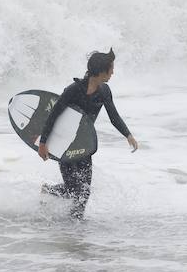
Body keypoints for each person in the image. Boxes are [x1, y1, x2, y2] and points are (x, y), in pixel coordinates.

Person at [36, 48, 138, 219]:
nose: (113, 72)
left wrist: (128, 135)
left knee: (83, 192)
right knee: (72, 190)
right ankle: (49, 191)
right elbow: (53, 116)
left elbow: (113, 116)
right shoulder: (73, 90)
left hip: (83, 145)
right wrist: (43, 143)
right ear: (100, 71)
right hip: (66, 144)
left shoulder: (104, 91)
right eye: (111, 69)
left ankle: (75, 230)